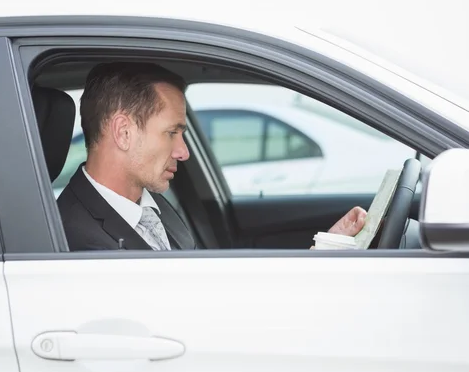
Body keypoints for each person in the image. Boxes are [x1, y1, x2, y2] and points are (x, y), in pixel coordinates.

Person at [57, 62, 367, 251]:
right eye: (171, 133)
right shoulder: (78, 240)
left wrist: (325, 247)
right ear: (123, 132)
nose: (183, 151)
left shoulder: (148, 204)